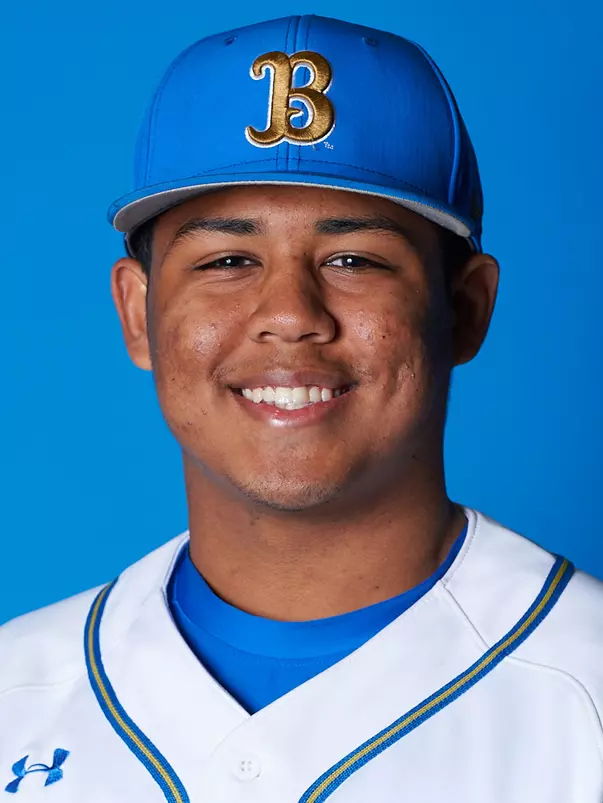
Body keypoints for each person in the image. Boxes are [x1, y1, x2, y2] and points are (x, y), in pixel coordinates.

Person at [1, 14, 602, 803]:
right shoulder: (17, 695)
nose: (289, 312)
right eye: (226, 260)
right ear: (135, 311)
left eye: (354, 259)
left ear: (465, 309)